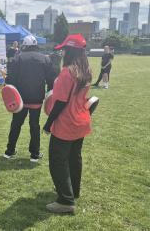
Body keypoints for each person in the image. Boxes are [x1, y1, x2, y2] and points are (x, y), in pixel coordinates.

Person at [43, 34, 93, 213]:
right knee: (74, 158)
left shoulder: (67, 72)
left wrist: (48, 124)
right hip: (81, 121)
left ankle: (65, 200)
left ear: (70, 51)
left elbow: (61, 102)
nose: (63, 52)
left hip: (66, 123)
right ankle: (73, 192)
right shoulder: (86, 69)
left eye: (65, 49)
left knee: (57, 161)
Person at [3, 35, 56, 162]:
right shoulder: (45, 59)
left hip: (19, 98)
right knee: (34, 125)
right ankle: (34, 154)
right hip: (36, 98)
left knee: (16, 124)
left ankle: (9, 152)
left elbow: (10, 80)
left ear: (24, 45)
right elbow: (51, 81)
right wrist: (50, 94)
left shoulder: (17, 58)